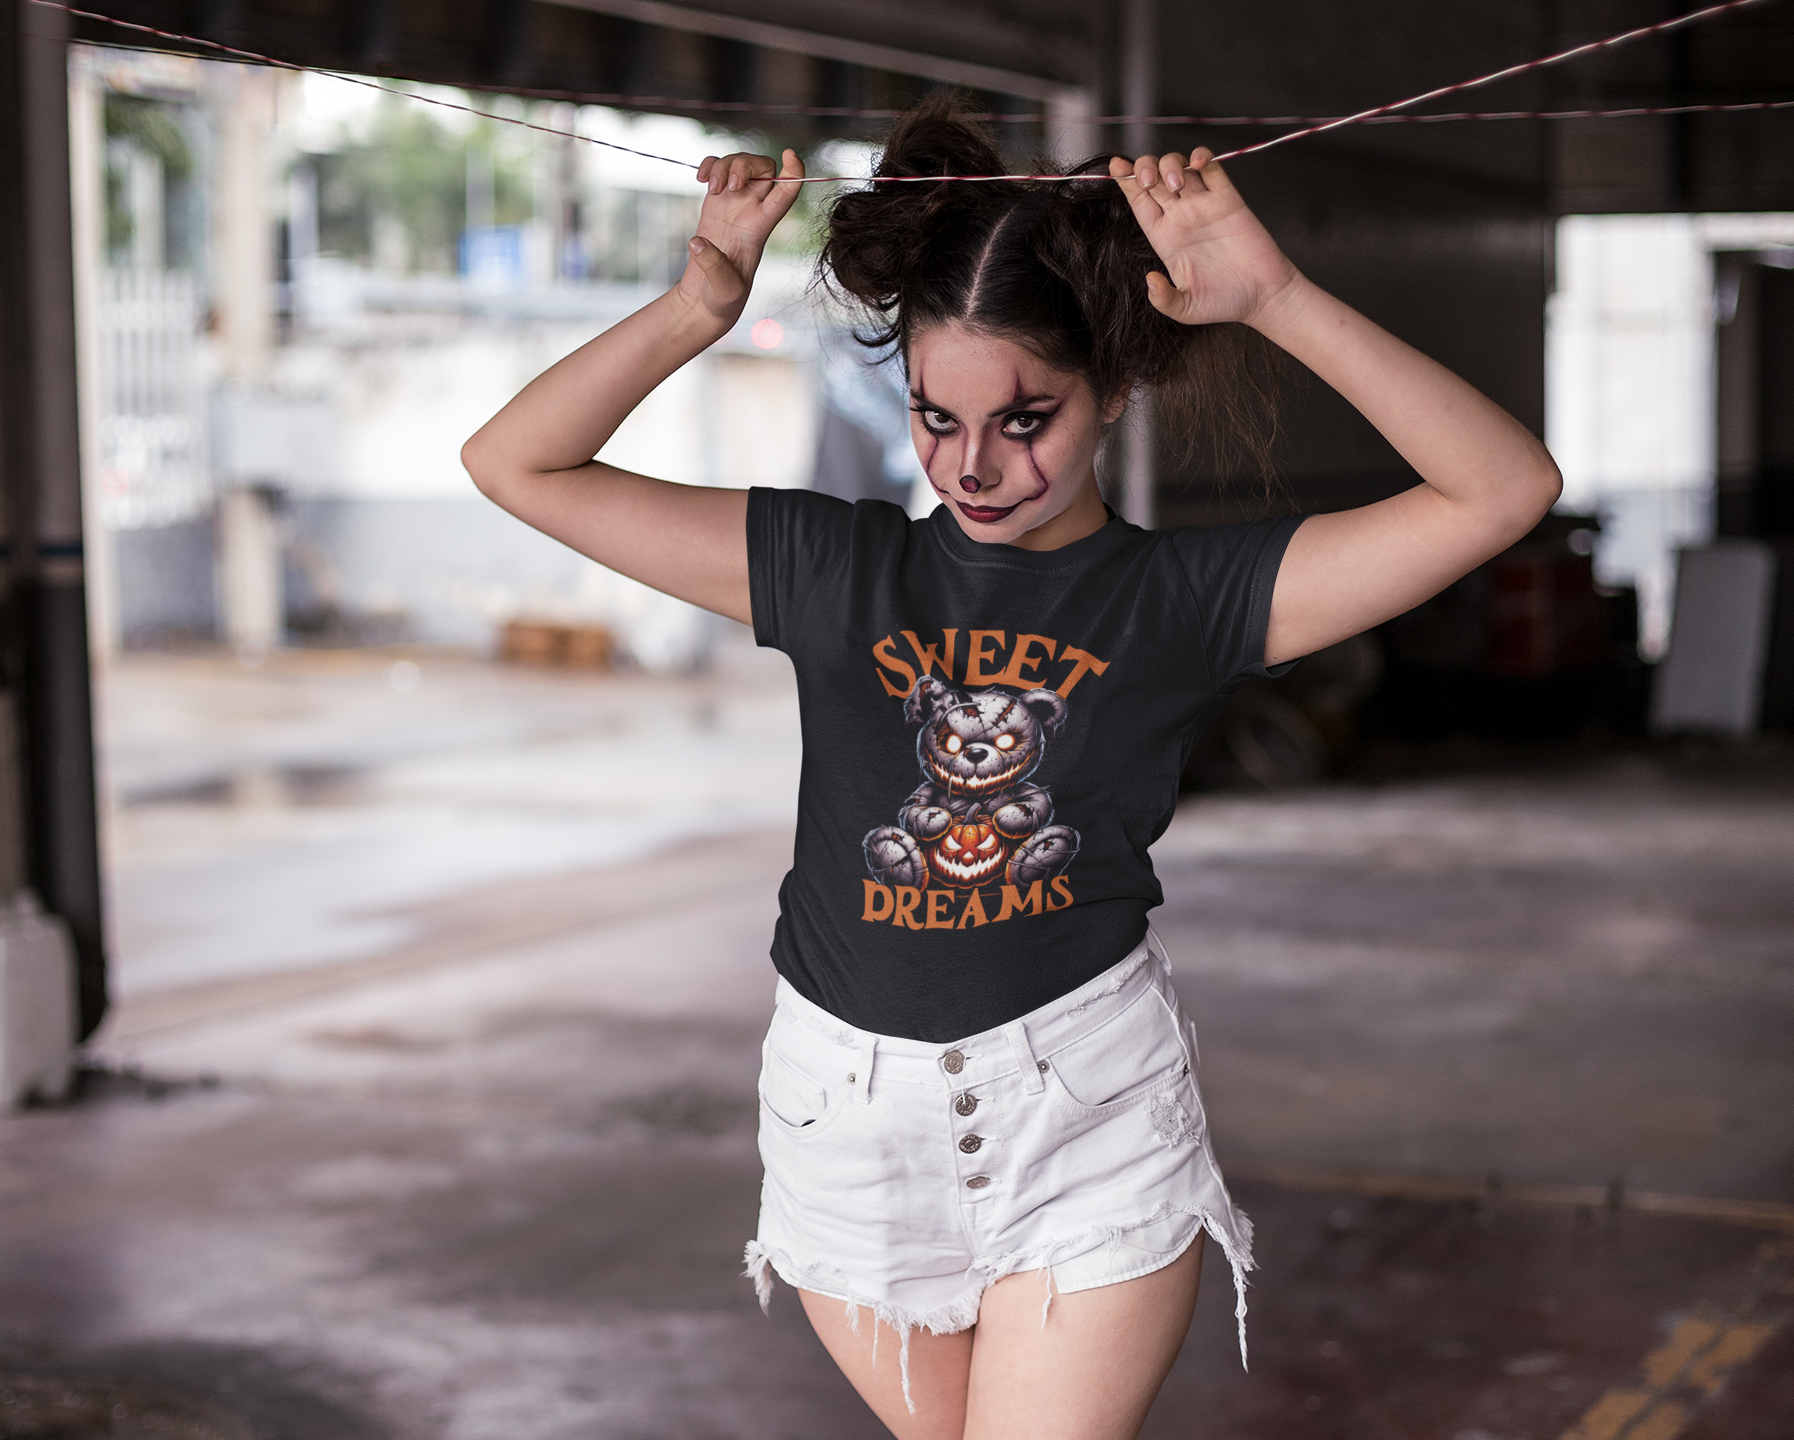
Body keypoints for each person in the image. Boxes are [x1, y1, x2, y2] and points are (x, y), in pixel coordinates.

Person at [463, 97, 1560, 1440]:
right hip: (846, 1124)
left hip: (1082, 1116)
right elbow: (513, 462)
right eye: (936, 415)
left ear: (1114, 391)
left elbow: (1503, 489)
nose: (973, 466)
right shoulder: (832, 568)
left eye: (1027, 418)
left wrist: (1274, 299)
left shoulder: (1180, 599)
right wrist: (697, 308)